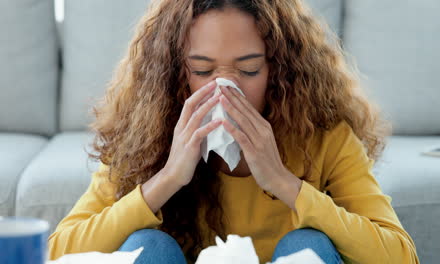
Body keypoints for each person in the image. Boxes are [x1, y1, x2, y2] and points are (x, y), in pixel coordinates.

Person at [47, 0, 420, 263]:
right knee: (148, 246)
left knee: (309, 243)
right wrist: (167, 180)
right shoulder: (147, 135)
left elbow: (400, 257)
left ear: (279, 69)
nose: (225, 89)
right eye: (204, 71)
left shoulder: (323, 136)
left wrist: (283, 183)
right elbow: (59, 251)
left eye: (249, 70)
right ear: (177, 75)